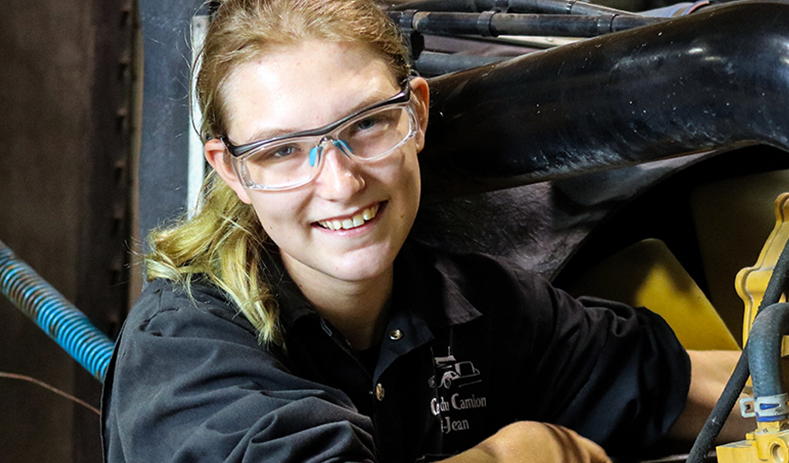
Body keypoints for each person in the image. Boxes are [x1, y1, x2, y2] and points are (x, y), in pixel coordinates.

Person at [102, 0, 750, 461]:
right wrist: (520, 452)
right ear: (231, 170)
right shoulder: (184, 349)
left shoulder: (469, 306)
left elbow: (672, 385)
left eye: (366, 125)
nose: (340, 181)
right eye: (282, 150)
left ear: (416, 112)